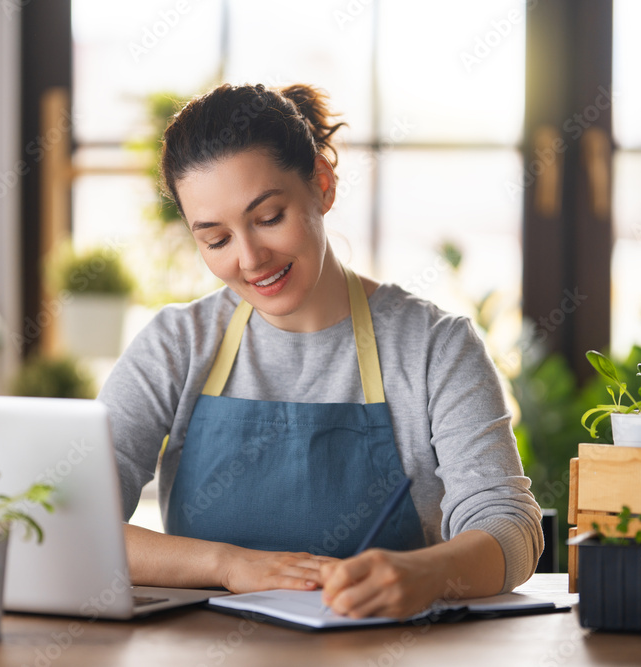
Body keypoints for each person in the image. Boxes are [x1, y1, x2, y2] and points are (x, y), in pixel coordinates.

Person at [97, 82, 543, 619]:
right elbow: (70, 523)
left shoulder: (435, 348)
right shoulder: (176, 344)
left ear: (322, 187)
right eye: (216, 240)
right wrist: (229, 565)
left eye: (268, 218)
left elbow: (510, 528)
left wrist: (425, 574)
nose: (251, 258)